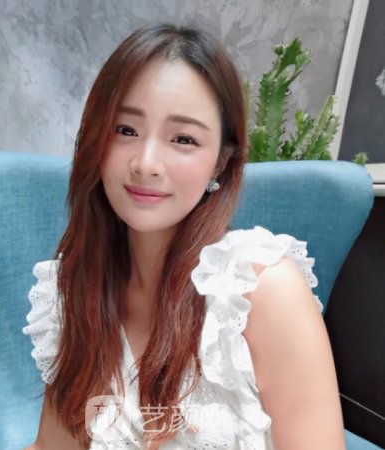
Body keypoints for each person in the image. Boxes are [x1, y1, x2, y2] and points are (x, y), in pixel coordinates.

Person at [22, 23, 346, 450]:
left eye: (183, 138)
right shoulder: (75, 288)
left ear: (221, 162)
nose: (146, 163)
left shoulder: (258, 291)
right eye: (125, 130)